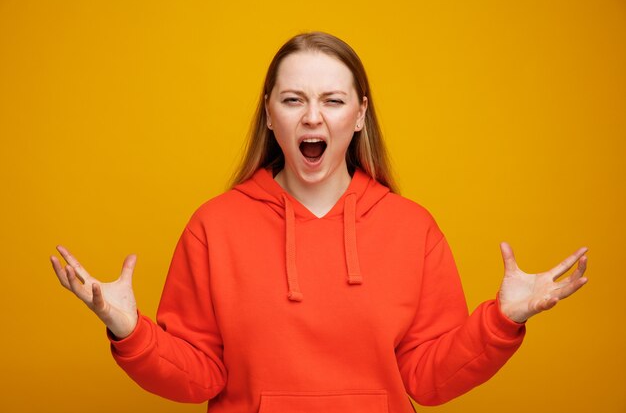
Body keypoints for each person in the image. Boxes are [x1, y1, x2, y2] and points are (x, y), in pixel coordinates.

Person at [50, 32, 588, 413]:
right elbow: (199, 376)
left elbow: (428, 378)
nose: (313, 116)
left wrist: (501, 321)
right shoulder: (214, 226)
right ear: (269, 114)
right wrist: (131, 331)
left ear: (358, 116)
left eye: (333, 100)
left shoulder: (412, 227)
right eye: (293, 100)